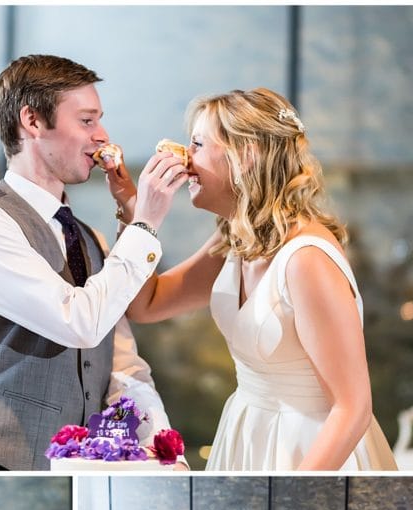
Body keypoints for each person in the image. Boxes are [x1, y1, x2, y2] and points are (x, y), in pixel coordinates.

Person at [119, 88, 397, 471]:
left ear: (245, 156)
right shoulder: (235, 236)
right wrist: (136, 213)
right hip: (247, 431)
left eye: (197, 145)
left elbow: (353, 408)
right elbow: (144, 304)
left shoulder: (306, 260)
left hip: (311, 448)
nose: (183, 160)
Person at [0, 54, 186, 471]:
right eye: (87, 121)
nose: (102, 135)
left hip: (73, 469)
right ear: (33, 122)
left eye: (100, 120)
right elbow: (78, 321)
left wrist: (158, 447)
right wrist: (143, 224)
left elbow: (121, 363)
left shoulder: (89, 239)